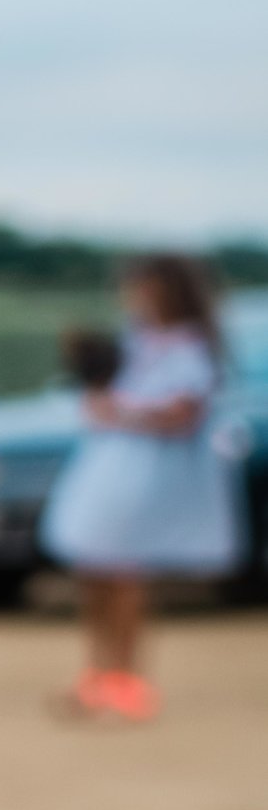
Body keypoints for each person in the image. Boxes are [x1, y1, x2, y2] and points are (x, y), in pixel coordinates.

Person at [41, 256, 241, 722]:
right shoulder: (134, 340)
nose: (135, 297)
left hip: (149, 473)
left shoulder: (190, 348)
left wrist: (121, 412)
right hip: (109, 463)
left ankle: (128, 679)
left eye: (144, 287)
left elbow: (182, 416)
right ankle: (97, 671)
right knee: (93, 565)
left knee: (125, 569)